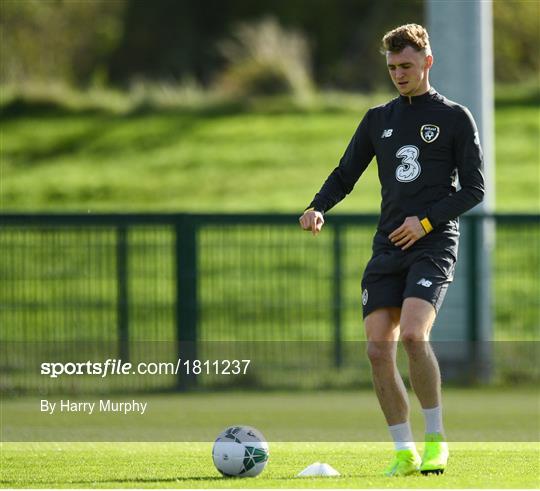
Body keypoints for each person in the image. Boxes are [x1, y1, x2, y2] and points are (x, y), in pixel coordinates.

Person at [299, 23, 484, 477]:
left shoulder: (455, 117)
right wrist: (317, 207)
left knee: (416, 336)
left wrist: (424, 223)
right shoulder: (377, 119)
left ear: (427, 62)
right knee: (378, 351)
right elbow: (346, 174)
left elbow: (474, 189)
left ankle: (436, 440)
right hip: (388, 246)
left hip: (433, 240)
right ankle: (404, 451)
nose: (399, 74)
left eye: (406, 66)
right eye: (392, 68)